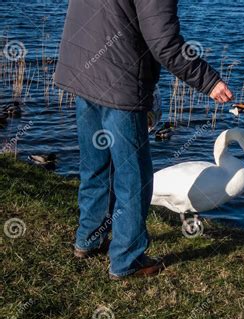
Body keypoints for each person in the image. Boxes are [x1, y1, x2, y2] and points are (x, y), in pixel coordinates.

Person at [54, 0, 233, 280]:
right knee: (133, 176)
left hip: (83, 70)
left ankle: (89, 239)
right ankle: (127, 260)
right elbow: (164, 41)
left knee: (96, 163)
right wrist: (209, 81)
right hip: (119, 81)